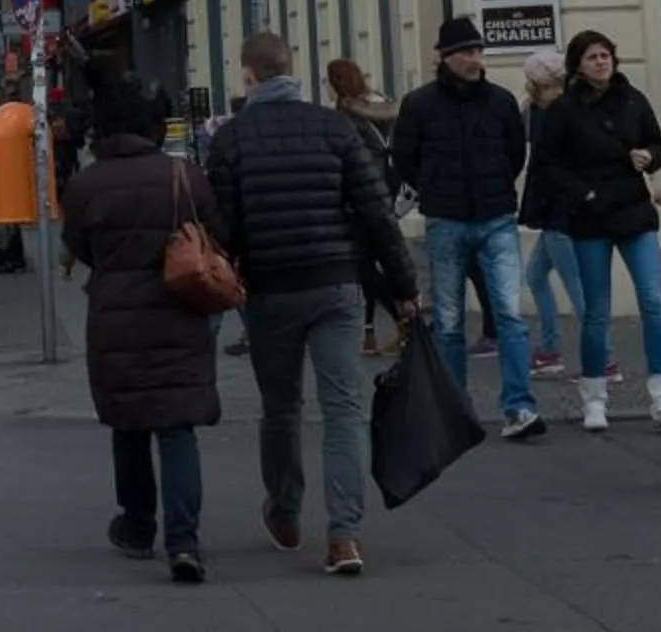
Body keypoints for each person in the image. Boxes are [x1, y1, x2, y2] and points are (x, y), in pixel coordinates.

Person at [206, 32, 418, 579]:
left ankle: (286, 511)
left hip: (270, 290)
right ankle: (345, 536)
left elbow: (221, 228)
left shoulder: (231, 140)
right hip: (336, 285)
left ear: (249, 76)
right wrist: (403, 289)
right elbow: (376, 213)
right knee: (343, 408)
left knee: (281, 407)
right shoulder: (334, 128)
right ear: (291, 70)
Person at [63, 72, 226, 584]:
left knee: (129, 423)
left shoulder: (86, 183)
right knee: (177, 428)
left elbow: (81, 246)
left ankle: (137, 527)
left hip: (114, 316)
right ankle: (184, 542)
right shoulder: (184, 177)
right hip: (180, 312)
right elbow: (218, 234)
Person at [392, 17, 545, 440]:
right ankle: (454, 409)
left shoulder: (499, 101)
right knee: (448, 319)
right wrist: (431, 187)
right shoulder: (420, 104)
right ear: (446, 56)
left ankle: (519, 407)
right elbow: (403, 157)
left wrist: (495, 183)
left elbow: (516, 152)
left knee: (510, 315)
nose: (475, 59)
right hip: (445, 218)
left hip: (495, 216)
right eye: (466, 52)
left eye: (478, 51)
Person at [541, 30, 661, 433]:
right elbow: (548, 162)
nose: (601, 62)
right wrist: (582, 193)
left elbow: (658, 141)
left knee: (652, 303)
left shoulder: (633, 99)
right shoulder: (564, 110)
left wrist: (650, 156)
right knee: (596, 311)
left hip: (633, 211)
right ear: (578, 65)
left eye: (606, 55)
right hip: (591, 216)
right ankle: (595, 398)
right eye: (592, 57)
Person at [322, 60, 403, 354]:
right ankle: (370, 333)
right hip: (387, 190)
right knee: (376, 260)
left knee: (364, 266)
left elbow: (343, 159)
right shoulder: (381, 103)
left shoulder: (344, 117)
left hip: (361, 196)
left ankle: (403, 321)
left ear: (337, 83)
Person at [517, 50, 586, 381]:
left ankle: (603, 360)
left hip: (562, 215)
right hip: (553, 215)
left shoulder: (557, 114)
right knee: (535, 276)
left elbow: (548, 168)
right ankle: (549, 350)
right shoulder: (542, 111)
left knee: (578, 290)